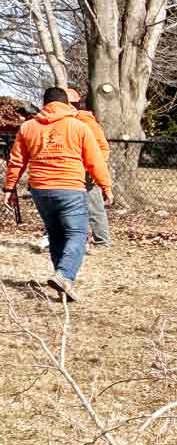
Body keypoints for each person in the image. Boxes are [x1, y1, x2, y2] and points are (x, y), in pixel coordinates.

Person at [4, 86, 112, 301]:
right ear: (66, 103)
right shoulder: (78, 126)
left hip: (40, 190)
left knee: (55, 234)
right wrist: (106, 187)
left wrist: (9, 188)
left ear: (45, 104)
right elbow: (95, 160)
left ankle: (63, 280)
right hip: (70, 186)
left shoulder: (28, 127)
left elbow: (16, 161)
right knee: (77, 235)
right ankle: (64, 275)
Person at [67, 87, 112, 249]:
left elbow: (103, 148)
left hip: (86, 171)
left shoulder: (86, 121)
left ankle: (102, 241)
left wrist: (94, 169)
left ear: (73, 104)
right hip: (70, 171)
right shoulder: (68, 121)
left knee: (94, 207)